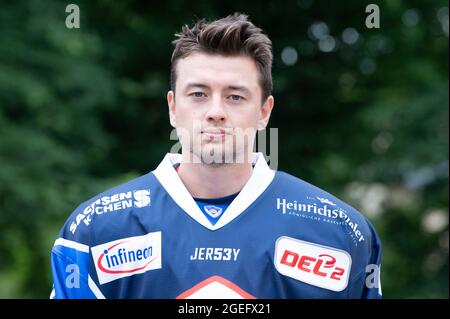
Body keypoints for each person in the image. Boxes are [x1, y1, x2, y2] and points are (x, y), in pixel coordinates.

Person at [50, 13, 382, 299]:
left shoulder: (340, 232)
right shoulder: (95, 230)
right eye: (198, 94)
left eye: (235, 97)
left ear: (264, 111)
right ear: (172, 107)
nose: (215, 112)